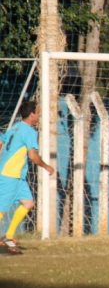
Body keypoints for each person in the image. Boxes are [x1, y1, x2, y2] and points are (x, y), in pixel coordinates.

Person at [0, 101, 55, 254]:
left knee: (28, 203)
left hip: (17, 176)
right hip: (9, 175)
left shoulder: (15, 127)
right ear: (32, 115)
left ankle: (8, 236)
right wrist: (46, 166)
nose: (39, 115)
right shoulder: (30, 132)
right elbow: (33, 156)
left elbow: (1, 142)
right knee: (2, 209)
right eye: (38, 112)